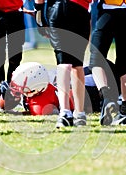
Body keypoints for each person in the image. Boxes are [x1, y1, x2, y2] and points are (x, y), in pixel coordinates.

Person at [34, 0, 91, 128]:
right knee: (77, 65)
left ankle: (65, 112)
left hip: (58, 9)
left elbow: (39, 1)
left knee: (63, 63)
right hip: (81, 9)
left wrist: (39, 18)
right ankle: (79, 113)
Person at [89, 0, 126, 125]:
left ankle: (106, 97)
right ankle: (125, 112)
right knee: (125, 66)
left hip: (107, 12)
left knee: (95, 60)